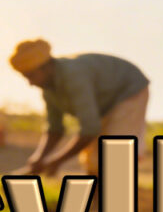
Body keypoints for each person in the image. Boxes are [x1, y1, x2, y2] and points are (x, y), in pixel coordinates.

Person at [9, 39, 149, 176]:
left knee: (115, 151)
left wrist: (56, 161)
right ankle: (97, 196)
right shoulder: (49, 90)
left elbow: (89, 130)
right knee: (93, 160)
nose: (30, 83)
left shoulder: (74, 76)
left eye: (31, 76)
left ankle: (117, 194)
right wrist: (40, 158)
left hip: (128, 91)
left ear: (46, 67)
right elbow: (55, 129)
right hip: (104, 105)